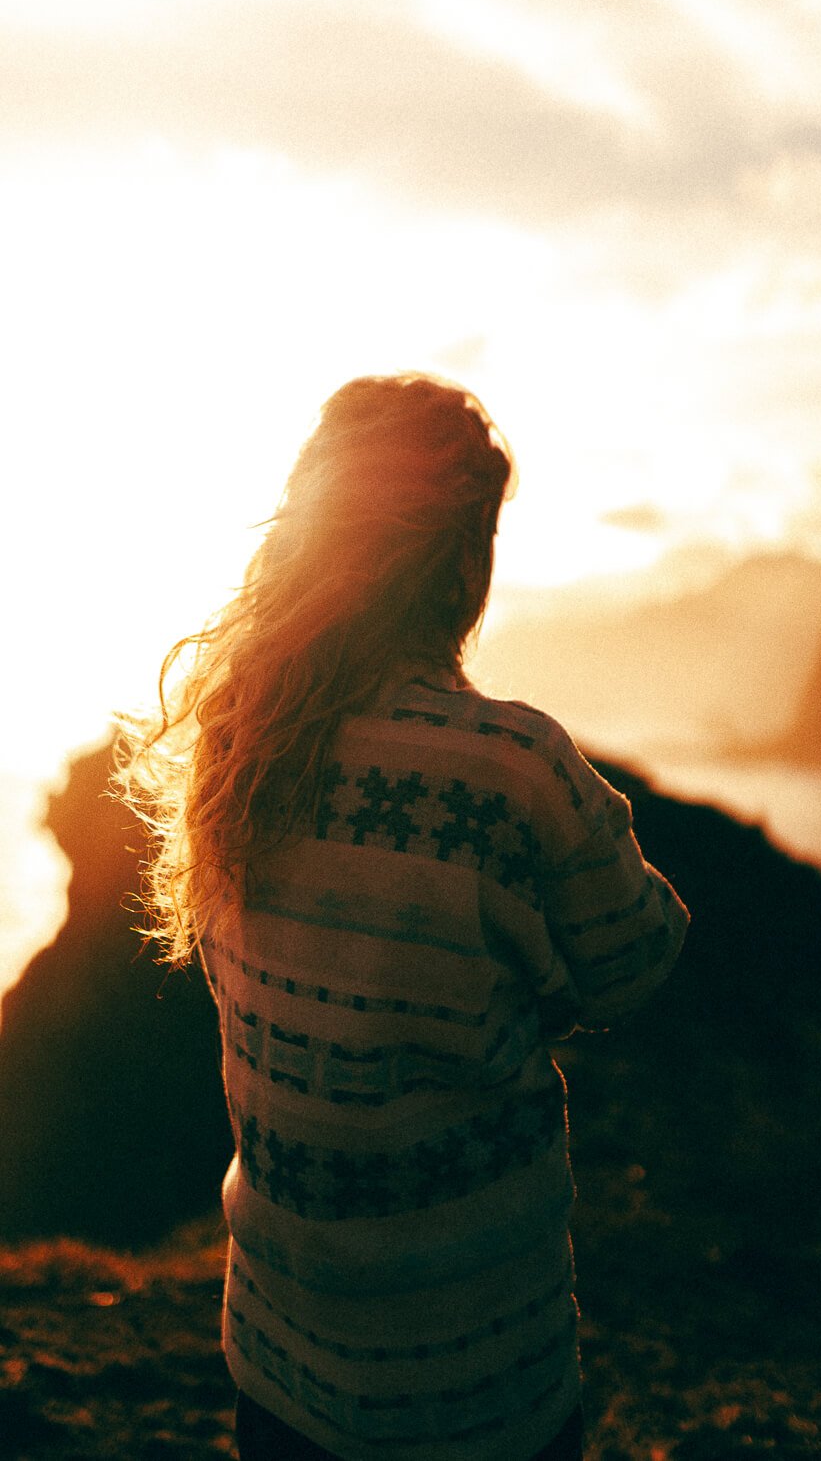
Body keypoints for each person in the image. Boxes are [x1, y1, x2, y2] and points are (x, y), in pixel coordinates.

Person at [117, 374, 689, 1461]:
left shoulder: (236, 748)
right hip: (472, 1370)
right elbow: (639, 957)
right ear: (461, 555)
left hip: (281, 1348)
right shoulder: (512, 766)